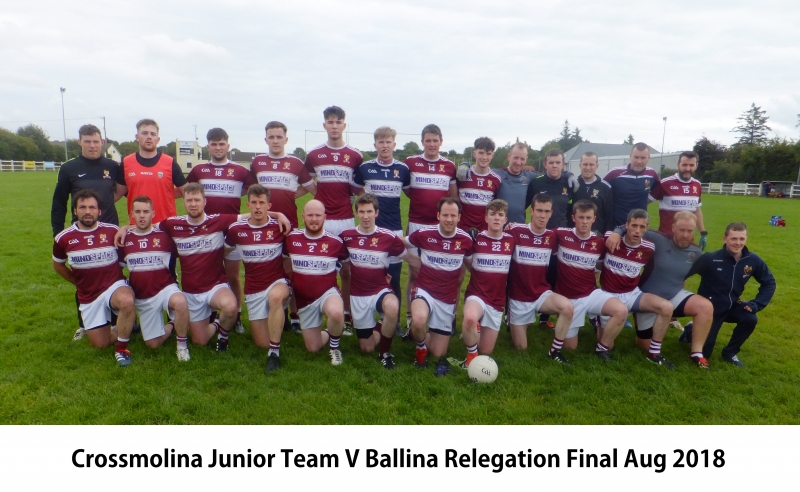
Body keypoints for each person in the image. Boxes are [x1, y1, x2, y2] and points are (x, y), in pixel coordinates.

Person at [116, 183, 240, 351]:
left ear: (205, 201)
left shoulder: (218, 220)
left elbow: (250, 216)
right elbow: (147, 226)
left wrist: (275, 214)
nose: (193, 204)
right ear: (184, 202)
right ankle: (216, 322)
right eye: (189, 200)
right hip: (191, 291)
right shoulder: (173, 224)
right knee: (199, 341)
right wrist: (125, 228)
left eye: (197, 200)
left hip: (215, 285)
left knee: (230, 306)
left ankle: (223, 337)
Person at [606, 211, 714, 369]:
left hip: (674, 295)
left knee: (706, 307)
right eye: (681, 230)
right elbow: (632, 227)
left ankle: (697, 353)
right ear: (673, 227)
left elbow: (694, 274)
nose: (685, 235)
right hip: (647, 298)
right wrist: (616, 232)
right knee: (644, 344)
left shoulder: (696, 252)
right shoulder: (657, 239)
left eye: (690, 231)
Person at [51, 124, 125, 341]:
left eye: (96, 141)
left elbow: (121, 191)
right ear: (79, 142)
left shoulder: (112, 166)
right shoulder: (69, 168)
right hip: (81, 231)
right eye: (87, 141)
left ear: (102, 143)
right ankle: (84, 324)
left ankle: (117, 320)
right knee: (84, 275)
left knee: (113, 274)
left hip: (109, 229)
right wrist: (57, 232)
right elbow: (59, 201)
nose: (92, 146)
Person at [52, 189, 136, 366]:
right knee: (100, 344)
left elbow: (123, 259)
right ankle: (125, 326)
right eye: (82, 207)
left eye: (92, 207)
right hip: (89, 295)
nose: (87, 211)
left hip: (114, 286)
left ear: (99, 211)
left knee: (127, 301)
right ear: (75, 211)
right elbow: (58, 265)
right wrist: (77, 282)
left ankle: (121, 348)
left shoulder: (112, 231)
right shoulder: (63, 238)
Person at [187, 128, 257, 334]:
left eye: (221, 144)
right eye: (214, 144)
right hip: (206, 231)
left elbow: (250, 190)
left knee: (233, 276)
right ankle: (209, 314)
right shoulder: (199, 170)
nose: (218, 148)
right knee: (207, 274)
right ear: (208, 146)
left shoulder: (240, 171)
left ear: (228, 146)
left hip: (231, 230)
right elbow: (189, 191)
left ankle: (236, 317)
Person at [250, 120, 317, 333]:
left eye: (279, 137)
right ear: (266, 139)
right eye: (271, 137)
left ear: (286, 139)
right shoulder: (258, 162)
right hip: (263, 226)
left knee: (291, 270)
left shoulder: (295, 163)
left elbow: (312, 188)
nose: (275, 140)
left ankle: (295, 316)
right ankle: (277, 311)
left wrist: (292, 194)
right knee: (269, 269)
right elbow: (251, 192)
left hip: (289, 225)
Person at [340, 194, 420, 369]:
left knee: (392, 306)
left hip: (380, 290)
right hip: (358, 295)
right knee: (367, 348)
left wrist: (435, 272)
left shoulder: (388, 237)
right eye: (362, 212)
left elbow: (410, 259)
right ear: (356, 213)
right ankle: (382, 326)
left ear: (376, 213)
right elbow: (338, 264)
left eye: (369, 211)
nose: (365, 216)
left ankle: (385, 353)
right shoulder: (346, 237)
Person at [303, 106, 363, 334]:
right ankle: (318, 313)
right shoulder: (314, 155)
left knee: (347, 271)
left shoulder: (355, 156)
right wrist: (318, 196)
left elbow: (358, 188)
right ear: (324, 125)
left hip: (346, 220)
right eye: (330, 122)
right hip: (323, 221)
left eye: (338, 122)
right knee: (321, 269)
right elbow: (307, 183)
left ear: (344, 125)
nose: (334, 126)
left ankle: (346, 315)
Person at [685, 222, 776, 367]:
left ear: (746, 239)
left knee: (750, 318)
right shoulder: (710, 258)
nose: (738, 243)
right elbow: (683, 273)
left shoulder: (752, 260)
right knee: (705, 350)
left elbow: (769, 282)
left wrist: (756, 304)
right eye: (734, 238)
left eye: (741, 239)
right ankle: (690, 330)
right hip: (710, 309)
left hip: (732, 304)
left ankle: (730, 352)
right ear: (725, 238)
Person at [597, 209, 676, 369]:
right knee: (608, 344)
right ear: (626, 225)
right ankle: (601, 346)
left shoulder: (649, 248)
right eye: (634, 225)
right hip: (609, 296)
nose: (637, 230)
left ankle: (654, 354)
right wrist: (616, 232)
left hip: (632, 295)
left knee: (666, 307)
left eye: (642, 227)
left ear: (647, 228)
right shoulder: (610, 238)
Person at [405, 197, 474, 376]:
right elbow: (399, 244)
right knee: (419, 318)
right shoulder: (424, 233)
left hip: (446, 298)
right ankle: (420, 348)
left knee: (438, 353)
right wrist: (410, 259)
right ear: (438, 215)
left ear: (459, 217)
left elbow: (471, 265)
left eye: (453, 215)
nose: (449, 219)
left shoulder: (465, 240)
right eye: (445, 215)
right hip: (424, 290)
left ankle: (417, 332)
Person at [225, 185, 290, 373]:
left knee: (275, 297)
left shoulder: (279, 227)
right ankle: (276, 320)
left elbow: (291, 255)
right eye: (254, 202)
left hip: (278, 283)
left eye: (262, 202)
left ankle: (274, 353)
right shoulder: (236, 230)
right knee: (261, 342)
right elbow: (223, 251)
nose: (258, 207)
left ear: (269, 205)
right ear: (248, 205)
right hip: (254, 289)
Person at [353, 126, 411, 336]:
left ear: (394, 144)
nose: (385, 146)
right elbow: (356, 189)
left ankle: (393, 321)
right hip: (370, 231)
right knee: (370, 274)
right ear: (375, 144)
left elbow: (411, 193)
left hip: (394, 229)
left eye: (388, 142)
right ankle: (368, 317)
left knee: (393, 278)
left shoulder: (403, 169)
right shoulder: (365, 168)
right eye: (381, 142)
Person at [554, 199, 629, 360]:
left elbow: (599, 267)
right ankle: (593, 319)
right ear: (573, 218)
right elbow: (539, 233)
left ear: (594, 219)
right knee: (570, 348)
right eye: (581, 217)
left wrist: (618, 232)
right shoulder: (561, 234)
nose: (584, 221)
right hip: (569, 299)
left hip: (590, 293)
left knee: (621, 311)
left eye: (588, 218)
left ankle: (601, 349)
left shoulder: (599, 242)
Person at [118, 196, 191, 361]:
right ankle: (172, 324)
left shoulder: (165, 236)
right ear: (132, 214)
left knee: (180, 302)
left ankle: (182, 346)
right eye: (138, 212)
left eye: (146, 211)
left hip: (165, 288)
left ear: (153, 214)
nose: (142, 215)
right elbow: (118, 269)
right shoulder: (125, 239)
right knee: (153, 344)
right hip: (143, 297)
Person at [505, 194, 575, 363]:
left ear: (551, 213)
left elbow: (577, 233)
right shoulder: (515, 231)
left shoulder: (553, 236)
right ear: (531, 211)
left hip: (541, 294)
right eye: (539, 211)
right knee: (521, 348)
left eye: (546, 211)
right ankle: (512, 320)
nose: (542, 215)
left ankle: (555, 351)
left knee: (567, 308)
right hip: (518, 298)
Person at [403, 124, 457, 328]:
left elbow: (453, 196)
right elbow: (408, 191)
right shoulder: (410, 163)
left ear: (441, 142)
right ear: (422, 142)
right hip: (416, 224)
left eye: (435, 140)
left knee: (440, 272)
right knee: (414, 272)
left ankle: (442, 314)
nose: (432, 144)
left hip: (439, 228)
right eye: (428, 140)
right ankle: (410, 317)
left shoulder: (449, 166)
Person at [283, 200, 349, 365]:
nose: (314, 219)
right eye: (310, 215)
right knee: (313, 348)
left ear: (324, 217)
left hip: (327, 292)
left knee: (336, 312)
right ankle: (331, 330)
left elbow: (347, 266)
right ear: (303, 217)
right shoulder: (291, 239)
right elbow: (283, 261)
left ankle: (334, 348)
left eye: (318, 215)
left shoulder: (336, 242)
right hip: (304, 301)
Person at [460, 199, 515, 365]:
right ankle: (471, 358)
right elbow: (468, 261)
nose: (496, 218)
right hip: (477, 294)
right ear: (486, 218)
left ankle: (476, 330)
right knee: (470, 318)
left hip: (496, 301)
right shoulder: (476, 239)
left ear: (505, 219)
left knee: (486, 350)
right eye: (492, 214)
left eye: (500, 215)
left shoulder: (511, 240)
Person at [115, 119, 187, 224]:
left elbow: (186, 191)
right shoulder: (126, 162)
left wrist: (165, 195)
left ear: (158, 139)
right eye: (144, 133)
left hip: (165, 226)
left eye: (153, 134)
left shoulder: (170, 162)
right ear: (137, 137)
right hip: (138, 227)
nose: (149, 137)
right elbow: (117, 194)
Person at [651, 150, 708, 249]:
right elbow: (644, 202)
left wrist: (703, 233)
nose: (687, 168)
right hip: (666, 240)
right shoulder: (665, 183)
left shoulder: (697, 185)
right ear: (678, 165)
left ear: (696, 166)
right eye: (684, 165)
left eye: (691, 165)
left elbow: (697, 210)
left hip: (687, 241)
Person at [603, 142, 662, 228]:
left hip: (638, 227)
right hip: (615, 226)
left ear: (648, 158)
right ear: (630, 156)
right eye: (636, 157)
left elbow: (658, 189)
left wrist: (646, 200)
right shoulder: (614, 173)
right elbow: (600, 190)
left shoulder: (651, 174)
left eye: (643, 158)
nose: (639, 161)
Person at [457, 137, 502, 237]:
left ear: (492, 155)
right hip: (462, 230)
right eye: (481, 153)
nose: (484, 157)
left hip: (484, 232)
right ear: (474, 154)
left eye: (488, 153)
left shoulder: (496, 180)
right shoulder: (463, 175)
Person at [525, 148, 576, 229]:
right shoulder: (536, 183)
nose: (554, 166)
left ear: (563, 164)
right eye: (551, 163)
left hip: (561, 232)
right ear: (545, 164)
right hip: (540, 232)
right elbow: (522, 207)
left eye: (558, 162)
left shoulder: (569, 184)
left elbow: (573, 210)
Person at [492, 142, 541, 223]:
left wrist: (565, 179)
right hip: (498, 227)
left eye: (522, 159)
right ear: (509, 156)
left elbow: (548, 176)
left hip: (519, 227)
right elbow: (479, 172)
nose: (518, 162)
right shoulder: (496, 174)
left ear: (526, 159)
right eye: (516, 158)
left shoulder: (529, 176)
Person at [572, 151, 613, 236]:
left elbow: (609, 216)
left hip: (597, 236)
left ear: (597, 166)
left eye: (591, 165)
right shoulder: (572, 185)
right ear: (580, 165)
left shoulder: (605, 188)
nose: (588, 168)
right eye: (585, 164)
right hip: (574, 236)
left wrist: (606, 235)